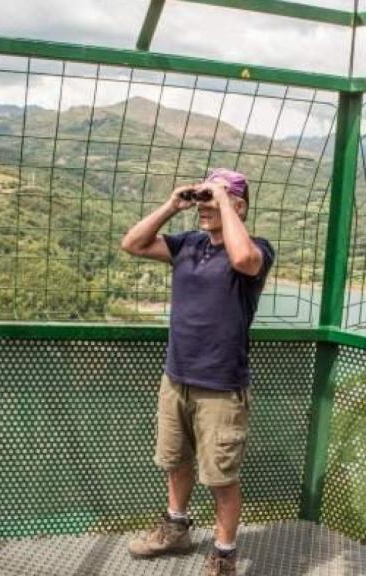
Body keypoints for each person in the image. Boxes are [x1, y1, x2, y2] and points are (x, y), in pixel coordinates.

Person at [120, 168, 274, 576]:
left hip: (221, 387)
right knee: (176, 460)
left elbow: (242, 259)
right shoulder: (188, 244)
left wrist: (223, 199)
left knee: (221, 477)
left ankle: (223, 554)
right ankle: (177, 526)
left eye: (215, 201)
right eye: (203, 200)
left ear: (238, 206)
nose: (204, 207)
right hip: (177, 377)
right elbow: (132, 243)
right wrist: (174, 204)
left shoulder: (257, 249)